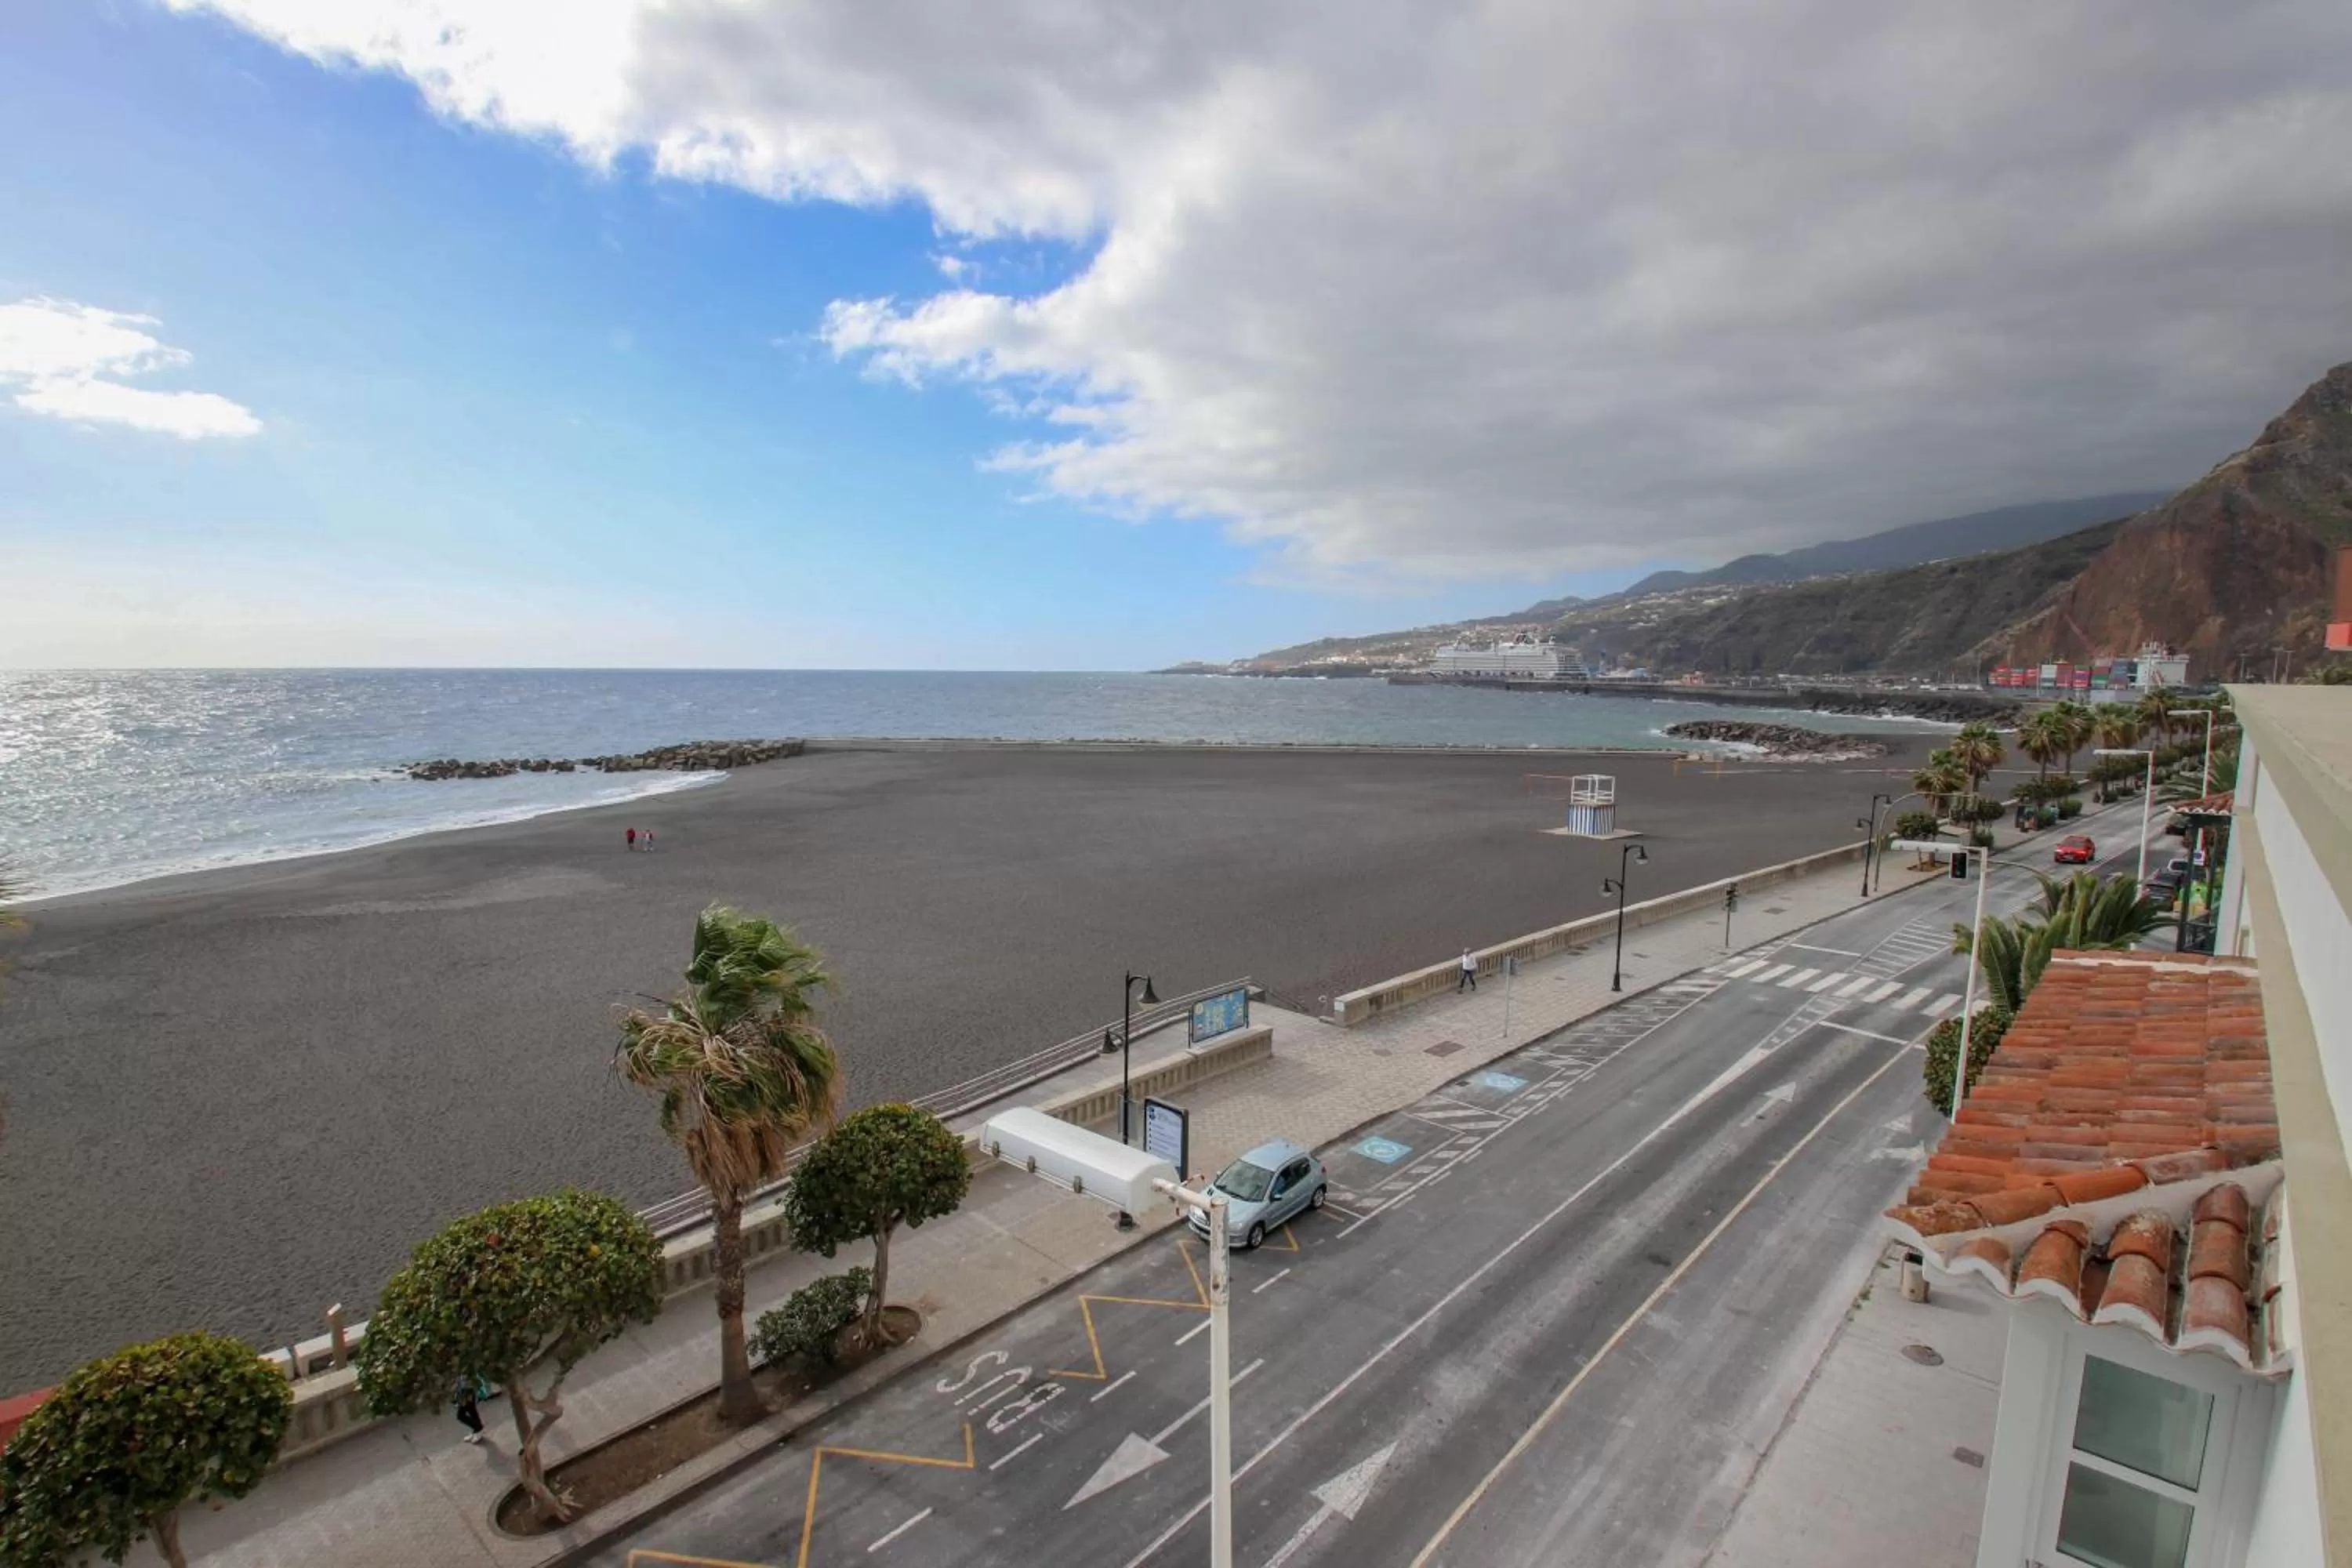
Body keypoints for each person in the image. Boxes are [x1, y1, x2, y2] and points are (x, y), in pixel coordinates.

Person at [455, 1374, 488, 1444]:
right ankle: (477, 1429)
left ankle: (478, 1428)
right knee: (472, 1411)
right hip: (463, 1391)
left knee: (461, 1415)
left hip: (467, 1391)